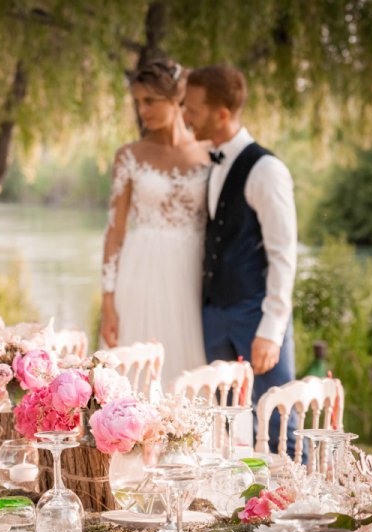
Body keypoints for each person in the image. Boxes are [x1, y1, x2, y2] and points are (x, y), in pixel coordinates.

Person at [182, 64, 300, 458]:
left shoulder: (266, 169)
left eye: (193, 109)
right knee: (227, 424)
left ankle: (299, 513)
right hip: (215, 314)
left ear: (222, 113)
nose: (185, 115)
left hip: (255, 314)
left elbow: (283, 254)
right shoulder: (212, 164)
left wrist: (271, 329)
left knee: (279, 424)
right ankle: (247, 509)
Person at [101, 58, 210, 387]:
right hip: (142, 273)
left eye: (150, 101)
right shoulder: (130, 155)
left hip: (195, 272)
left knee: (194, 368)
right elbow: (115, 231)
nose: (142, 110)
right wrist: (108, 299)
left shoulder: (211, 153)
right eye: (137, 102)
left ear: (177, 99)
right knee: (138, 369)